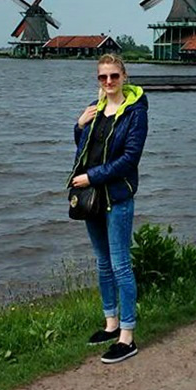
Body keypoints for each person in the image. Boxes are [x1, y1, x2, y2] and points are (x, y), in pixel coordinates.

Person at [69, 54, 148, 364]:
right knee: (102, 262)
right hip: (92, 197)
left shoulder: (135, 113)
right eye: (103, 77)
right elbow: (85, 147)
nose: (109, 82)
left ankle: (127, 336)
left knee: (120, 264)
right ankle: (110, 323)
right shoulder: (97, 108)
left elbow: (130, 159)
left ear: (124, 76)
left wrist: (92, 177)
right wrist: (79, 125)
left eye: (114, 76)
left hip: (117, 195)